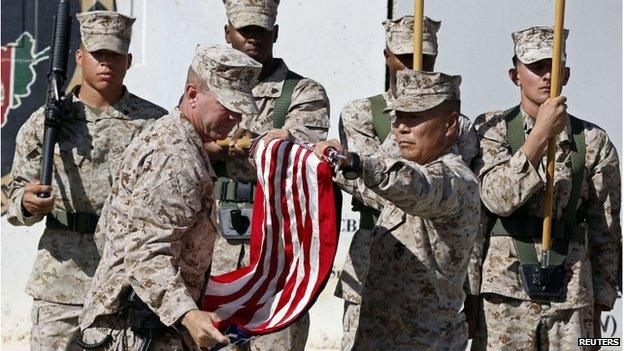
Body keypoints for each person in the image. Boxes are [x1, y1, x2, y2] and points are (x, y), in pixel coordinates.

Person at [78, 44, 262, 350]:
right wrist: (187, 314)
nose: (235, 117)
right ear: (192, 95)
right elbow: (144, 249)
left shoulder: (181, 139)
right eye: (225, 105)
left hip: (146, 323)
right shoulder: (175, 157)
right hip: (137, 330)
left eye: (240, 108)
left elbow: (112, 234)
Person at [5, 11, 166, 350]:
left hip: (125, 283)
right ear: (80, 57)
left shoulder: (155, 125)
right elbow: (15, 196)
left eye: (115, 54)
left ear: (129, 59)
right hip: (60, 282)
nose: (106, 63)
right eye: (98, 54)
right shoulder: (47, 123)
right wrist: (27, 202)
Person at [470, 26, 621, 350]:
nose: (546, 76)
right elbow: (495, 200)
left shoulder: (593, 142)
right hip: (503, 295)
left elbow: (605, 230)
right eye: (536, 67)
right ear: (515, 75)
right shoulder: (491, 130)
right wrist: (538, 137)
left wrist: (600, 305)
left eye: (553, 67)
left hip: (571, 295)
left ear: (566, 74)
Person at [334, 15, 478, 349]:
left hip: (424, 337)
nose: (400, 127)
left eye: (414, 118)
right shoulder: (366, 116)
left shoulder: (455, 179)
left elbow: (415, 187)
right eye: (397, 117)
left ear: (450, 124)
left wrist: (357, 162)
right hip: (379, 328)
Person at [204, 1, 330, 349]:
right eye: (245, 31)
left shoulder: (304, 93)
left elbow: (303, 149)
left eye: (261, 31)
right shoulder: (207, 92)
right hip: (217, 251)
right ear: (227, 34)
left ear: (275, 33)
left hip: (278, 252)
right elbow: (187, 143)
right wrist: (219, 149)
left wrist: (240, 144)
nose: (253, 39)